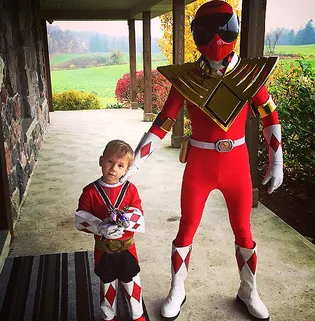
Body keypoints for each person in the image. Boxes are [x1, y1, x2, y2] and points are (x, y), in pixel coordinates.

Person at [121, 1, 283, 321]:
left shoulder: (249, 75)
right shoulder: (186, 79)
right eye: (209, 30)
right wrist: (134, 162)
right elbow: (163, 122)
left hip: (236, 163)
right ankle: (177, 289)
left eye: (225, 28)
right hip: (201, 164)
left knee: (243, 232)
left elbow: (270, 116)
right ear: (198, 34)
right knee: (187, 229)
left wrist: (277, 161)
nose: (218, 39)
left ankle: (248, 289)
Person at [75, 140, 146, 321]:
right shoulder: (90, 191)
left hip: (127, 247)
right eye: (110, 162)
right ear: (101, 160)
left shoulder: (130, 190)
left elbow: (138, 213)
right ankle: (108, 315)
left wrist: (124, 223)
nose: (114, 168)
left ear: (127, 169)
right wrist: (100, 227)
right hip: (103, 248)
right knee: (107, 283)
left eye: (121, 165)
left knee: (132, 281)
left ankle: (137, 315)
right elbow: (81, 217)